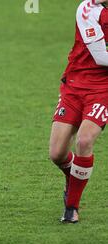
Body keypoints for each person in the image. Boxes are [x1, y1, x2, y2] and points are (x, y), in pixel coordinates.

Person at [50, 0, 108, 223]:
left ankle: (71, 207)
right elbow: (101, 57)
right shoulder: (87, 8)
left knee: (84, 141)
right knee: (57, 153)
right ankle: (73, 177)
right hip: (74, 86)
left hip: (102, 90)